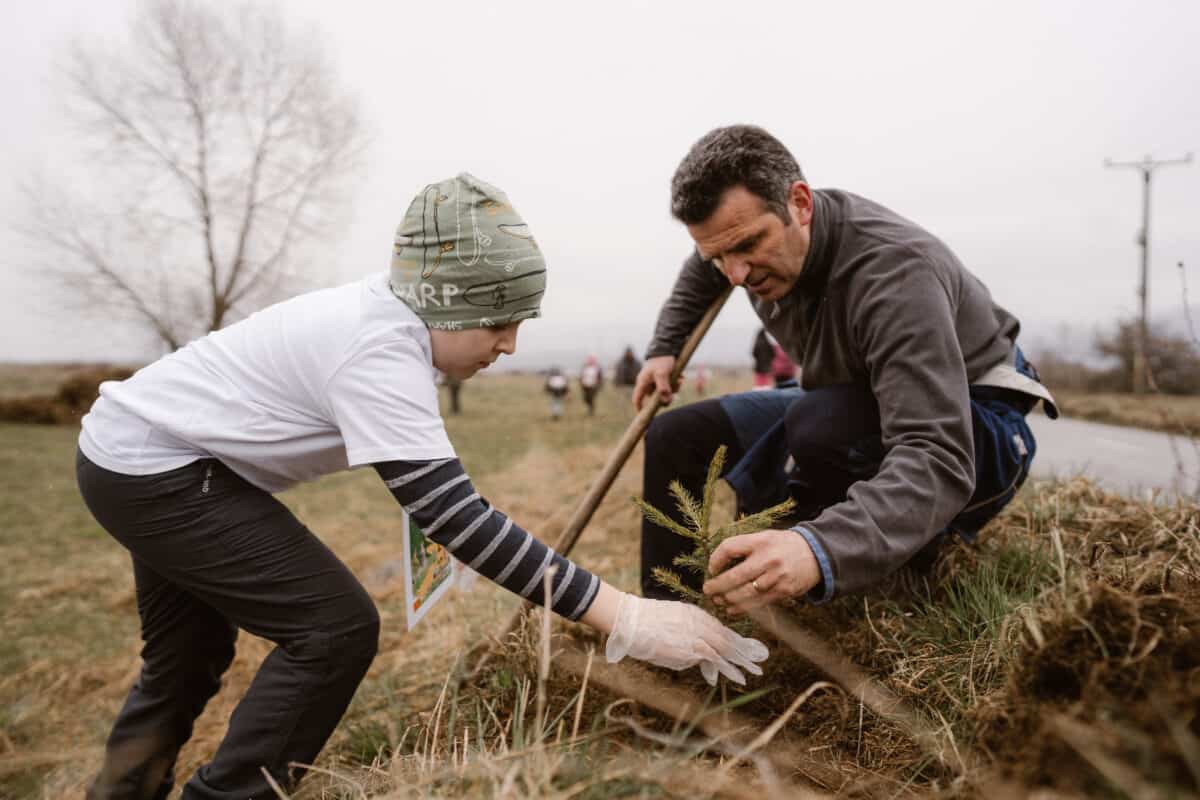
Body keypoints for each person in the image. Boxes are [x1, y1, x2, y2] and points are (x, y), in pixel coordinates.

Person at [77, 173, 768, 800]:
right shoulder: (377, 351)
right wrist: (626, 615)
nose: (511, 346)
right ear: (446, 307)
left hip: (136, 450)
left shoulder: (397, 323)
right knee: (333, 629)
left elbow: (433, 498)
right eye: (499, 323)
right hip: (155, 466)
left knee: (187, 656)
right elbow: (455, 517)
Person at [633, 125, 1057, 616]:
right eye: (719, 256)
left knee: (822, 424)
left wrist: (818, 548)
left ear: (800, 203)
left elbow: (936, 454)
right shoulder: (740, 242)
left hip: (972, 419)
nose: (736, 275)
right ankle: (668, 622)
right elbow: (704, 267)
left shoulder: (896, 275)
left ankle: (893, 568)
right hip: (850, 394)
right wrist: (664, 348)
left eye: (748, 245)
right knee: (675, 433)